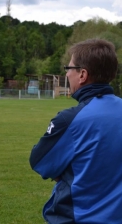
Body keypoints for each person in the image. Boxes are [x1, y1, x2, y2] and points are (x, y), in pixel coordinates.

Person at [29, 38, 122, 224]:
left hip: (78, 217)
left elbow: (39, 162)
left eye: (69, 68)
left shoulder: (69, 120)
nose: (67, 74)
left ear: (82, 75)